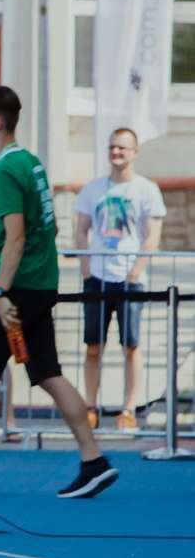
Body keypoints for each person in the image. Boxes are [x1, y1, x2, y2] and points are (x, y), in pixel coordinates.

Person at [0, 85, 117, 498]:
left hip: (17, 286)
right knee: (48, 372)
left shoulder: (4, 172)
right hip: (40, 282)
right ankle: (94, 461)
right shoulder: (30, 162)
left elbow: (14, 238)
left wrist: (0, 292)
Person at [73, 126, 166, 430]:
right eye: (112, 147)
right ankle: (90, 405)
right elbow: (81, 229)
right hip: (97, 277)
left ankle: (128, 409)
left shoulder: (146, 189)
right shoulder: (93, 189)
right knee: (93, 345)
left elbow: (152, 235)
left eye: (123, 148)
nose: (116, 153)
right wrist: (87, 268)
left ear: (134, 152)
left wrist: (136, 271)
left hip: (130, 279)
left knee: (131, 345)